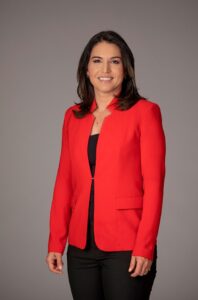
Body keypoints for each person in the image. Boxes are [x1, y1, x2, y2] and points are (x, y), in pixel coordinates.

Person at [45, 30, 166, 300]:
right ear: (86, 69)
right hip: (81, 247)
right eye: (97, 61)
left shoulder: (145, 113)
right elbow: (64, 181)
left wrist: (145, 247)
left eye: (115, 61)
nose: (106, 69)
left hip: (127, 244)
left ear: (126, 69)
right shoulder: (72, 117)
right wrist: (56, 241)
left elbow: (154, 186)